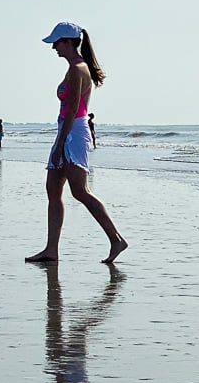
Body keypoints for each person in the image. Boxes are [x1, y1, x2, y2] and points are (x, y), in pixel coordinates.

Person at [25, 22, 127, 265]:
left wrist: (60, 144)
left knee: (79, 191)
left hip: (73, 133)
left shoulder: (77, 69)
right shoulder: (75, 68)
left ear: (69, 42)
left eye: (57, 43)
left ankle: (116, 239)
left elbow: (72, 110)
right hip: (67, 130)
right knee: (53, 188)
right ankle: (51, 249)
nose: (54, 48)